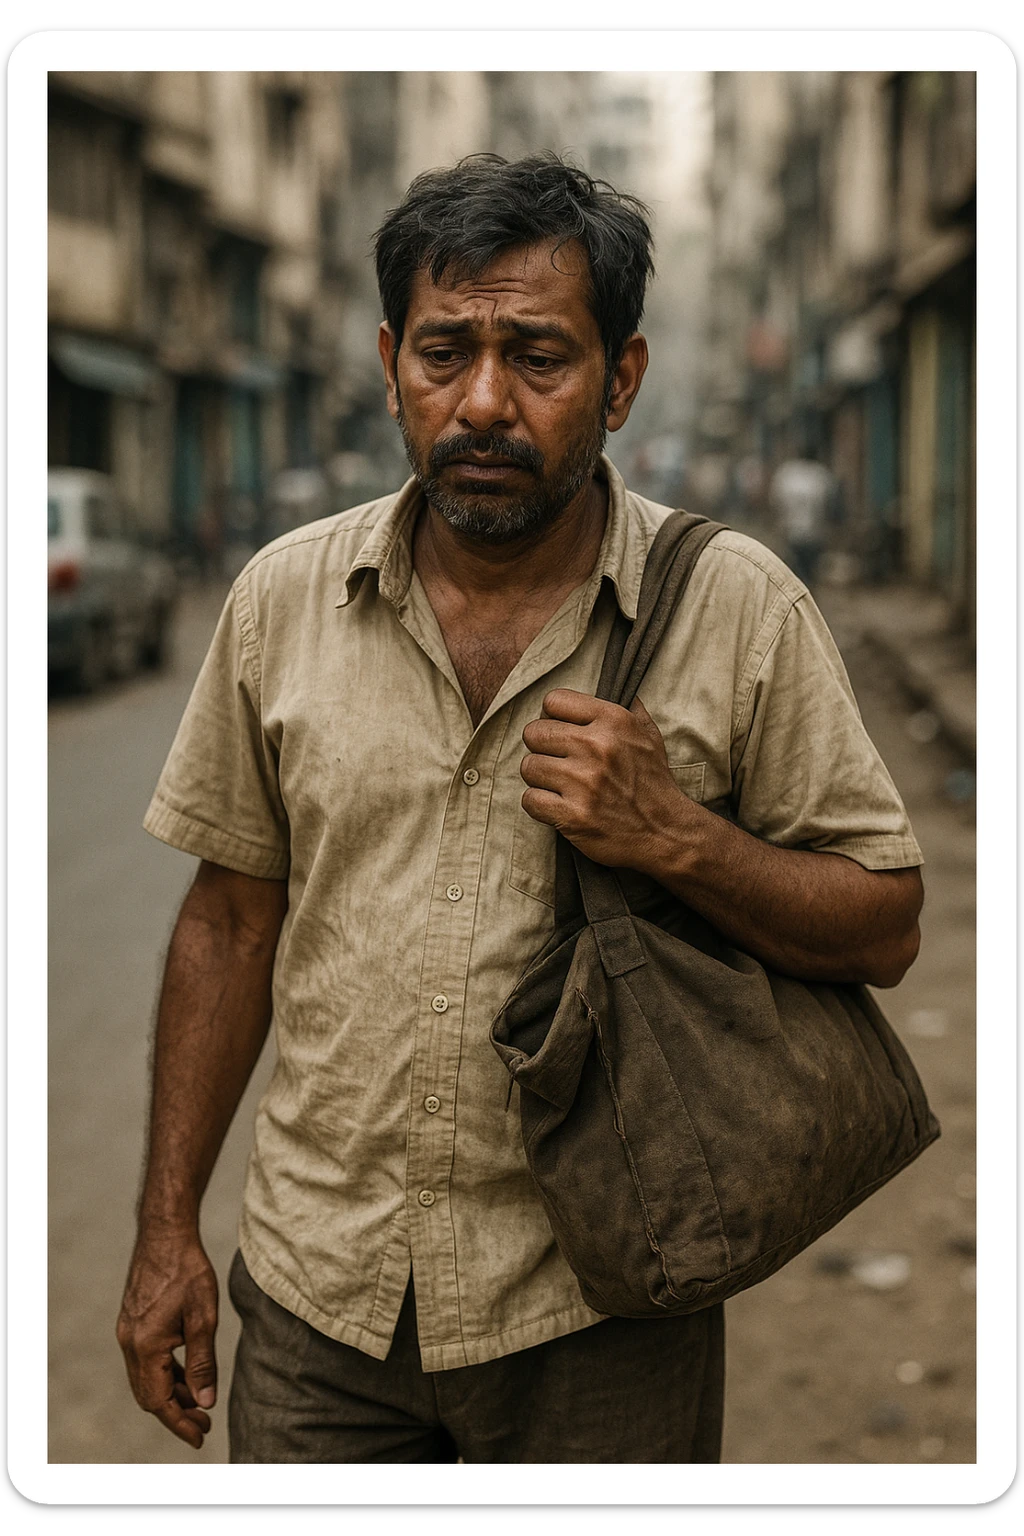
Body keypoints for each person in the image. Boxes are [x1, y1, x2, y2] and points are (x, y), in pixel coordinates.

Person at [116, 154, 925, 1465]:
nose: (483, 402)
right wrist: (166, 1233)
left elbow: (885, 923)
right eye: (446, 353)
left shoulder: (740, 607)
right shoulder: (280, 600)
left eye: (538, 357)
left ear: (621, 379)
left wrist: (679, 837)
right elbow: (226, 925)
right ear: (391, 364)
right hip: (322, 1311)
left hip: (602, 1312)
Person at [768, 447, 839, 585]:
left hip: (793, 531)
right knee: (809, 571)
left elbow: (776, 502)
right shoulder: (821, 475)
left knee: (796, 569)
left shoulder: (787, 474)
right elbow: (829, 506)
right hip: (814, 533)